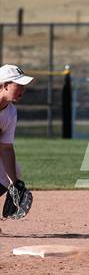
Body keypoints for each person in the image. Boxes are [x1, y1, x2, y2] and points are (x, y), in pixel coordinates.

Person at [0, 64, 34, 219]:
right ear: (5, 85)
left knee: (15, 171)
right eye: (18, 85)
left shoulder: (10, 112)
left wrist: (15, 183)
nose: (23, 90)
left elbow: (6, 148)